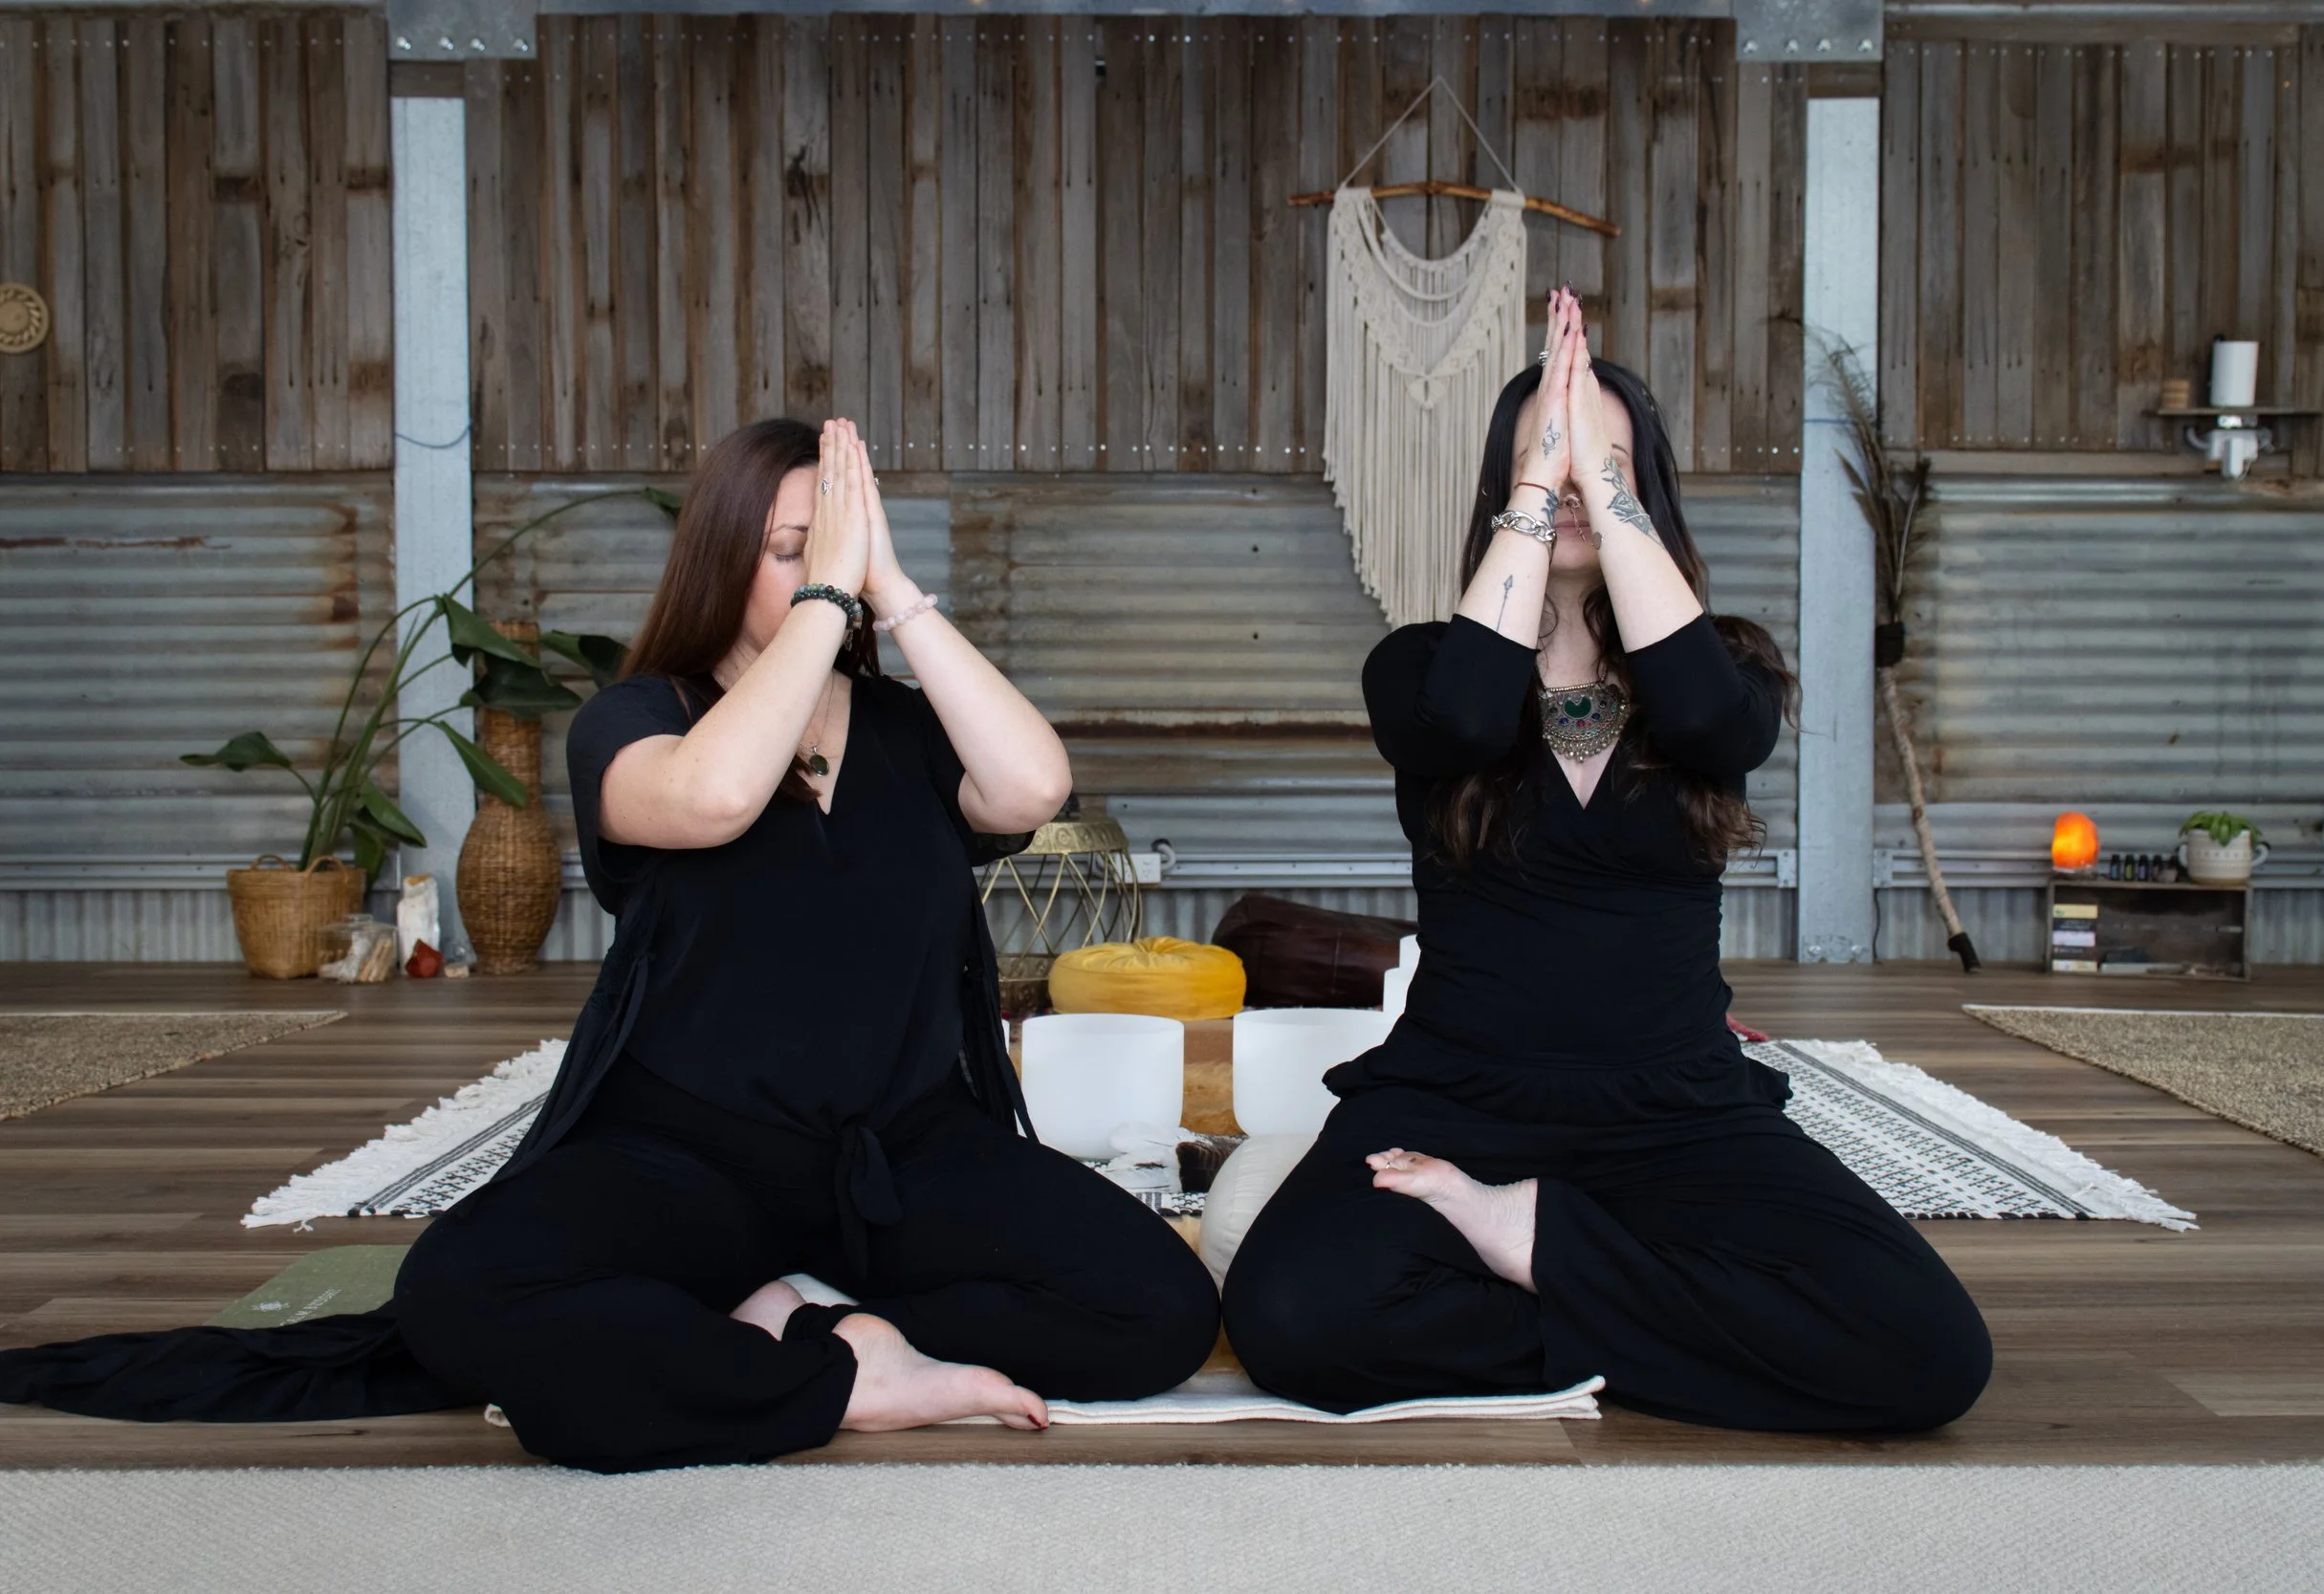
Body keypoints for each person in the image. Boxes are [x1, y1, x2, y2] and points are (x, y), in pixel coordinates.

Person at [0, 418, 1220, 1473]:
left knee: (1157, 1311)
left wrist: (894, 593)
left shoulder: (909, 726)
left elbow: (1031, 788)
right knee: (456, 1292)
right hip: (689, 1148)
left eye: (842, 545)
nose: (828, 576)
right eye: (793, 551)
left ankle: (789, 1315)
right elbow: (713, 800)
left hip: (903, 1150)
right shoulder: (640, 720)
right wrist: (828, 600)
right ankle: (844, 1367)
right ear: (722, 557)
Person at [1219, 289, 1992, 1432]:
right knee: (1292, 1315)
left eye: (1608, 463)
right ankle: (1627, 1300)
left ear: (1646, 494)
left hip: (1674, 1109)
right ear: (1504, 493)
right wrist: (1542, 478)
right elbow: (1470, 726)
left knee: (1927, 1351)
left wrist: (1602, 483)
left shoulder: (1720, 667)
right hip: (1457, 1102)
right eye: (1548, 457)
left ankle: (1527, 1241)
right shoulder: (1423, 667)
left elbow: (1709, 726)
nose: (1577, 482)